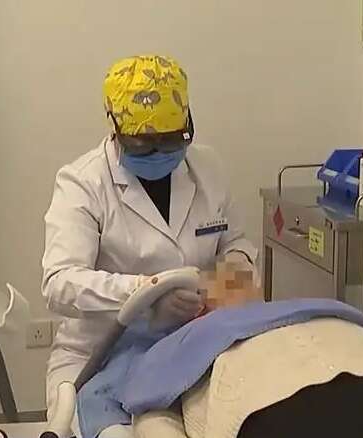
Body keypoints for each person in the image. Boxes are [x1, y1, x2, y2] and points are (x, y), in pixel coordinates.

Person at [41, 54, 257, 436]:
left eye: (171, 140)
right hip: (101, 356)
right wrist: (147, 294)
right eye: (142, 144)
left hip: (193, 346)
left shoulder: (208, 169)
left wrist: (231, 278)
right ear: (115, 128)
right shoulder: (83, 183)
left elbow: (236, 242)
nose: (158, 153)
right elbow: (59, 283)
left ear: (187, 123)